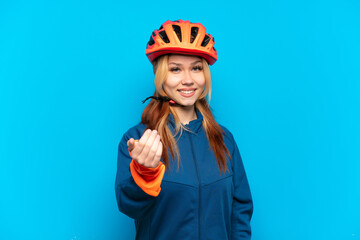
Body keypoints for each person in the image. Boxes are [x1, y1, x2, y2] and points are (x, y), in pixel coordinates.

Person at [115, 19, 253, 240]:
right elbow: (128, 206)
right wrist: (145, 173)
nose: (188, 80)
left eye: (196, 68)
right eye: (175, 69)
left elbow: (240, 211)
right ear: (160, 75)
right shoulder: (137, 140)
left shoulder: (225, 140)